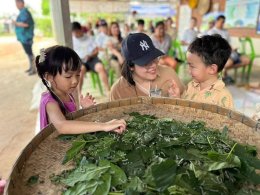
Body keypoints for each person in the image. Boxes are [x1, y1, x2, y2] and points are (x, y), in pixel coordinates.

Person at [36, 45, 126, 134]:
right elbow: (62, 126)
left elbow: (72, 119)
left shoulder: (68, 93)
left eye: (78, 75)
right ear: (49, 77)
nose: (75, 81)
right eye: (68, 76)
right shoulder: (50, 102)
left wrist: (84, 109)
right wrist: (104, 126)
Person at [110, 33, 184, 101]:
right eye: (146, 63)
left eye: (154, 58)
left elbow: (186, 97)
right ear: (131, 66)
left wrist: (177, 100)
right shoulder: (119, 91)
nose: (154, 65)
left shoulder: (169, 74)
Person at [169, 35, 234, 108]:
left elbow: (226, 119)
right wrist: (177, 98)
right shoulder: (191, 86)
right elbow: (184, 111)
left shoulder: (223, 97)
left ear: (212, 69)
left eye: (192, 66)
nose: (188, 70)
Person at [207, 15, 250, 83]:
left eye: (224, 22)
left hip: (230, 52)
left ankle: (223, 72)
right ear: (217, 21)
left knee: (246, 60)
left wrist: (233, 48)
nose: (223, 23)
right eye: (221, 22)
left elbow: (229, 43)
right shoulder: (211, 32)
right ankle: (222, 73)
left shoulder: (225, 32)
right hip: (220, 53)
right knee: (229, 62)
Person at [71, 21, 110, 93]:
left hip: (92, 59)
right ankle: (79, 94)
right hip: (80, 61)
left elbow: (96, 50)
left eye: (76, 32)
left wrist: (90, 55)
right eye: (73, 32)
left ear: (81, 29)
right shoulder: (72, 41)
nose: (75, 34)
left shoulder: (89, 38)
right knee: (80, 70)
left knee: (100, 67)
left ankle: (108, 90)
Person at [13, 0, 35, 75]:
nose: (16, 5)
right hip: (24, 37)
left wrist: (16, 23)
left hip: (26, 37)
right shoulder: (22, 12)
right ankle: (31, 67)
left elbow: (26, 24)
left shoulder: (25, 12)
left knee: (29, 53)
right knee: (28, 53)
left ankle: (34, 69)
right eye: (16, 3)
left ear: (22, 3)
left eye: (18, 3)